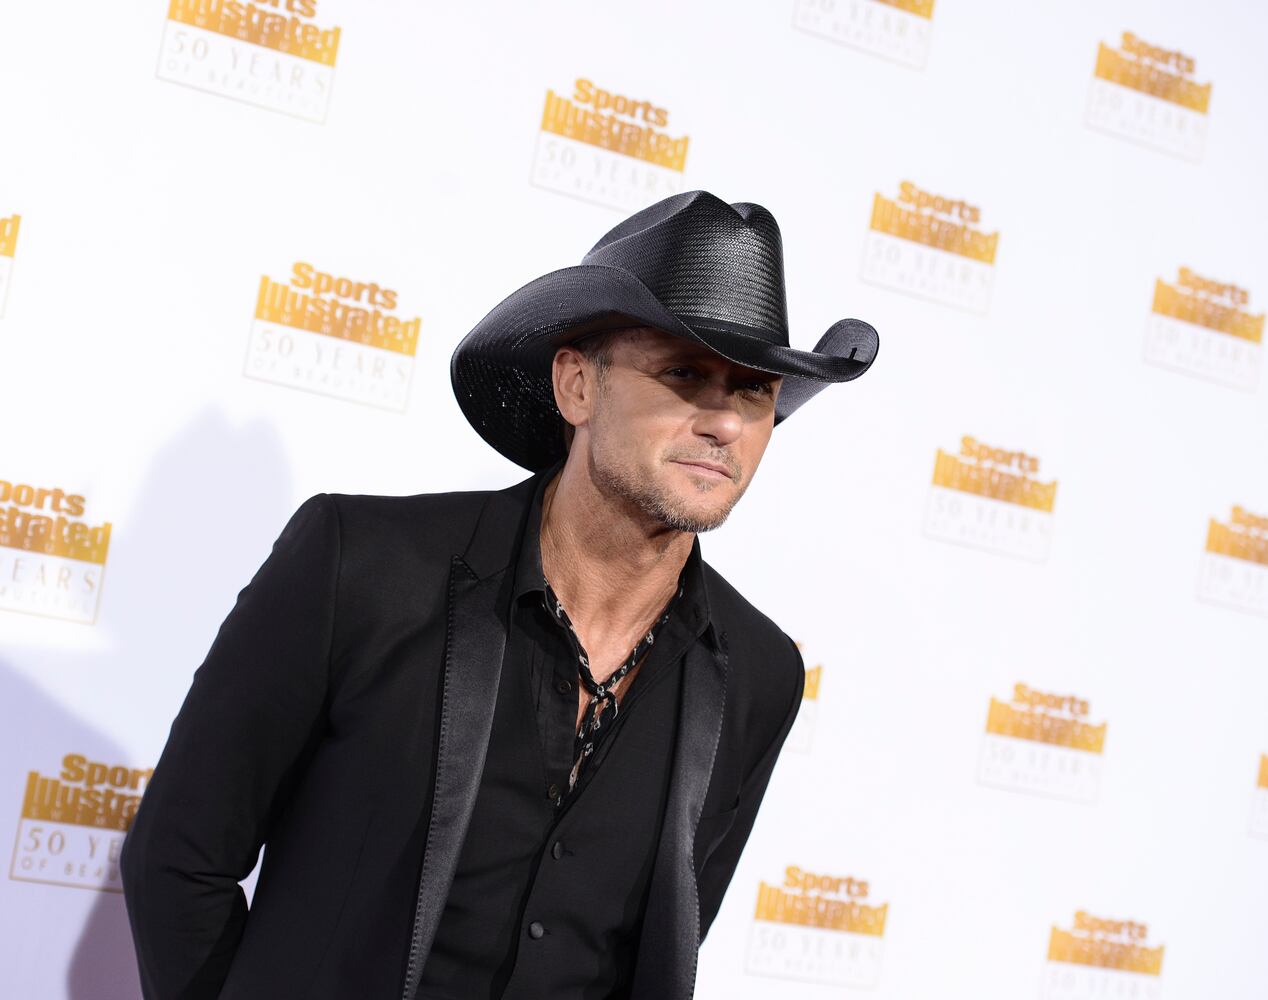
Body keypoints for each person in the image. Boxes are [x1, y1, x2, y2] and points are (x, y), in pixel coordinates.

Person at [120, 189, 880, 999]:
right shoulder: (361, 567)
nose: (724, 424)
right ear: (577, 386)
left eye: (754, 391)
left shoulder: (760, 673)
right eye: (684, 373)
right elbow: (177, 861)